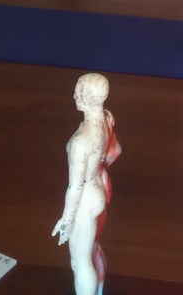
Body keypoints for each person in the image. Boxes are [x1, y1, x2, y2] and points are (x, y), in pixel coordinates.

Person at [52, 72, 122, 295]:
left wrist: (66, 219)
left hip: (85, 201)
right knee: (90, 250)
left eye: (78, 92)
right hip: (98, 190)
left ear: (89, 98)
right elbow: (115, 150)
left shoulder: (81, 142)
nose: (74, 96)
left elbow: (75, 186)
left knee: (80, 263)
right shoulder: (107, 118)